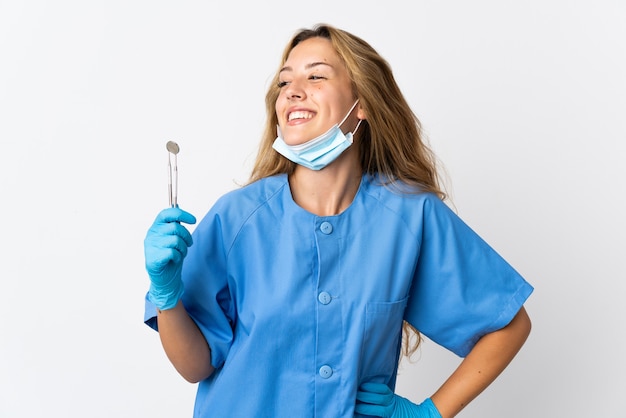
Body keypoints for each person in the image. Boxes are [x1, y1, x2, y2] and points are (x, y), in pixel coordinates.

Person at [143, 23, 533, 418]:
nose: (293, 90)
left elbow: (507, 325)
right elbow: (195, 367)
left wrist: (429, 413)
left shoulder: (410, 217)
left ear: (361, 102)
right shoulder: (238, 218)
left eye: (315, 76)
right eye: (284, 82)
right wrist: (167, 294)